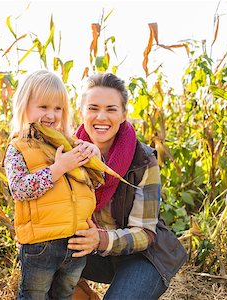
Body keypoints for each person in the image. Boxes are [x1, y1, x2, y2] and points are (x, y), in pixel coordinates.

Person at [68, 73, 188, 299]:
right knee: (38, 254)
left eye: (111, 109)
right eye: (93, 108)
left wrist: (100, 239)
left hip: (142, 255)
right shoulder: (68, 154)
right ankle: (81, 293)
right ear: (82, 112)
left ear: (124, 114)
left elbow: (144, 233)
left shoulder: (143, 160)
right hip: (93, 251)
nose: (101, 117)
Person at [4, 70, 102, 299]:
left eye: (57, 108)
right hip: (41, 245)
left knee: (65, 294)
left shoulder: (69, 144)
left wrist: (95, 156)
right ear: (24, 106)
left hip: (76, 243)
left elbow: (93, 185)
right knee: (35, 295)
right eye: (43, 107)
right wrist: (58, 169)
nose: (51, 114)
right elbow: (19, 189)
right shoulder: (18, 148)